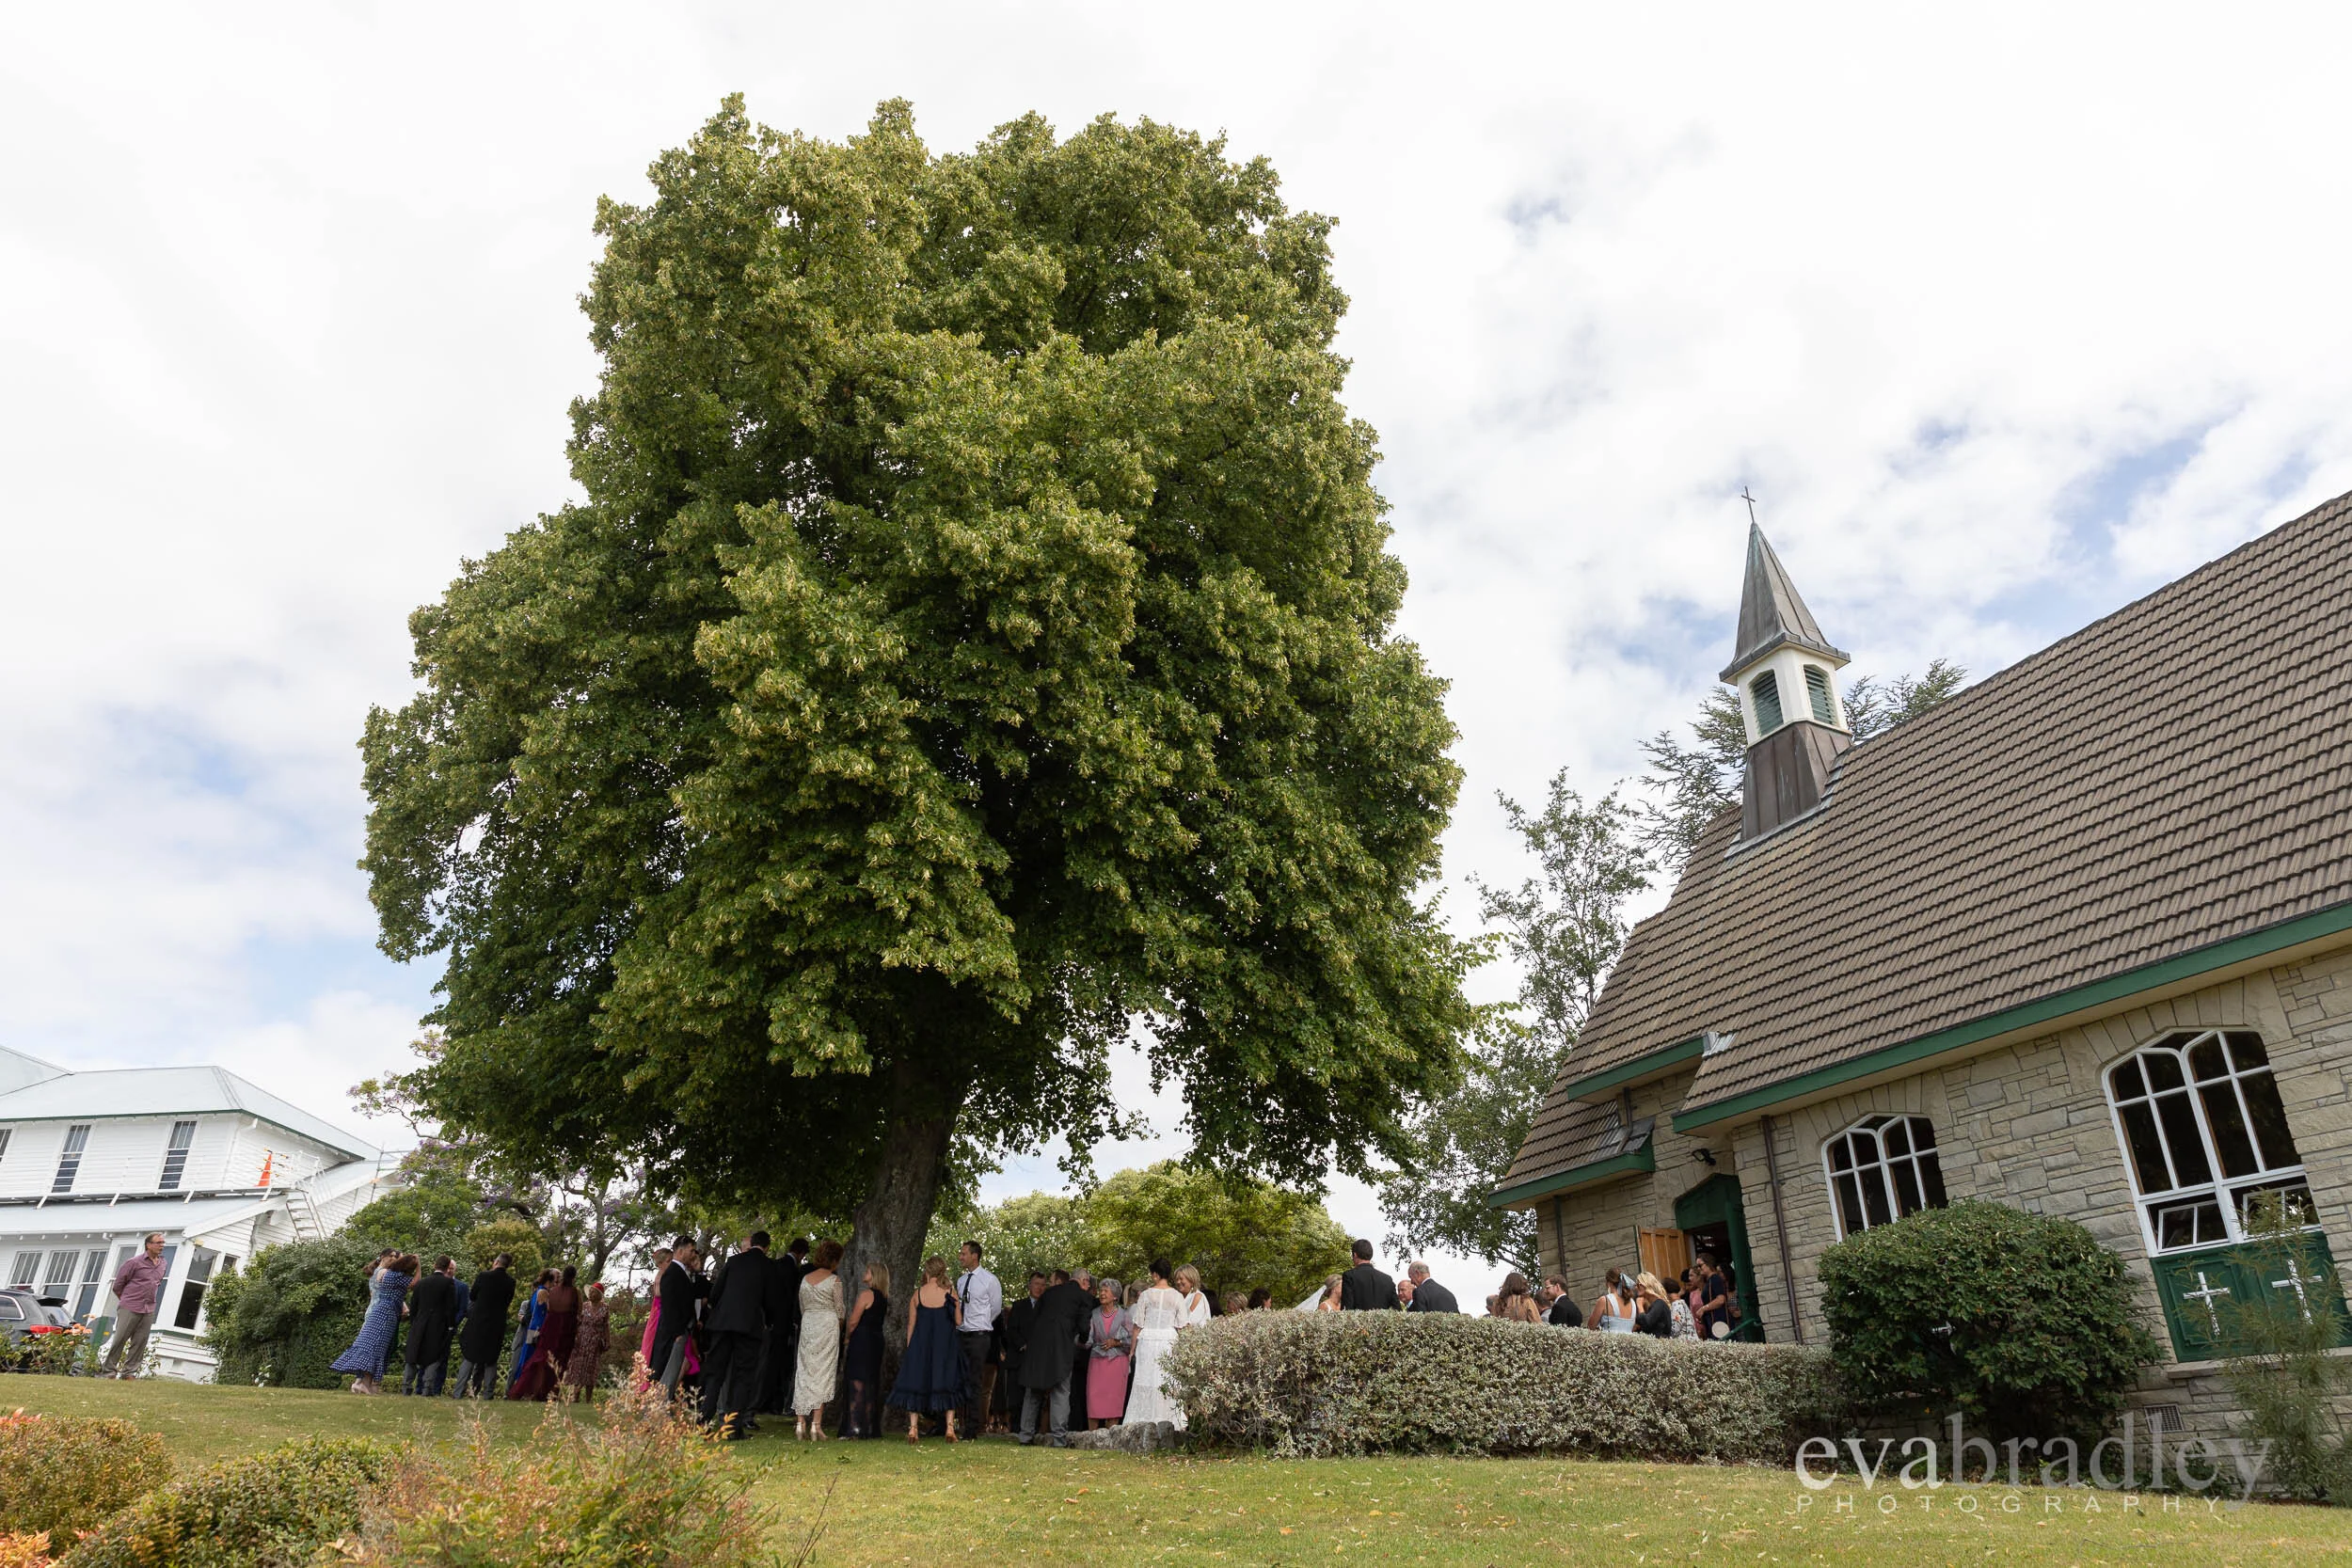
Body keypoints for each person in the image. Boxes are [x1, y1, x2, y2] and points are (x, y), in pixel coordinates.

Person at [699, 1232, 776, 1436]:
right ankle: (733, 1427)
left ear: (751, 1244)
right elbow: (770, 1302)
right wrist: (767, 1322)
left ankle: (703, 1421)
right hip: (749, 1326)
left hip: (723, 1324)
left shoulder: (733, 1261)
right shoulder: (768, 1266)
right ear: (767, 1247)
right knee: (743, 1376)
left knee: (715, 1373)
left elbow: (716, 1293)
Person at [888, 1256, 967, 1443]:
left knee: (915, 1383)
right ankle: (949, 1429)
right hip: (945, 1346)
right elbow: (958, 1321)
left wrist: (910, 1349)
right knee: (949, 1382)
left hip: (920, 1346)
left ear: (927, 1271)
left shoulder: (918, 1294)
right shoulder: (951, 1292)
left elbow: (911, 1325)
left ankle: (913, 1429)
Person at [1016, 1266, 1092, 1446]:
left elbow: (1034, 1318)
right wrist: (1082, 1339)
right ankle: (1059, 1438)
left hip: (1037, 1347)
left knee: (1033, 1391)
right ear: (1083, 1281)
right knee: (1061, 1391)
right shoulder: (1083, 1297)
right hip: (1061, 1348)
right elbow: (1084, 1326)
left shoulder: (1049, 1293)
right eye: (1088, 1282)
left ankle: (1025, 1435)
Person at [331, 1253, 418, 1394]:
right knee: (375, 1347)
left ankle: (362, 1383)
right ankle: (364, 1383)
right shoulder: (387, 1274)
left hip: (375, 1310)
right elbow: (408, 1286)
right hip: (382, 1313)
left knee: (368, 1345)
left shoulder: (378, 1273)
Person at [1122, 1260, 1186, 1430]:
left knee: (1145, 1380)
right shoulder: (1177, 1296)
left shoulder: (1146, 1295)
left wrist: (1132, 1350)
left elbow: (1138, 1326)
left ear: (1155, 1274)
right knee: (1166, 1380)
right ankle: (1169, 1422)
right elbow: (1182, 1326)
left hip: (1148, 1341)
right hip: (1168, 1340)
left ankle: (1142, 1423)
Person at [793, 1239, 846, 1439]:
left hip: (809, 1323)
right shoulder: (835, 1281)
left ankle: (800, 1423)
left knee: (805, 1370)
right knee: (824, 1372)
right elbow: (840, 1310)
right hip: (827, 1324)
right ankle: (816, 1424)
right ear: (834, 1260)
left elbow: (802, 1305)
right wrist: (838, 1325)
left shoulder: (805, 1279)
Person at [100, 1233, 169, 1379]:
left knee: (139, 1342)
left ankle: (129, 1373)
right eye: (158, 1243)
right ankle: (109, 1372)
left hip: (148, 1309)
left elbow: (157, 1283)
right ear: (148, 1245)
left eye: (163, 1243)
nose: (162, 1245)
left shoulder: (163, 1263)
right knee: (120, 1340)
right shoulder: (134, 1262)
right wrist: (127, 1300)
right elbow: (118, 1286)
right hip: (130, 1307)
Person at [510, 1265, 581, 1401]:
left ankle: (525, 1390)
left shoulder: (551, 1291)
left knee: (537, 1359)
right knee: (557, 1363)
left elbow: (548, 1309)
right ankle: (549, 1393)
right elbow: (579, 1313)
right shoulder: (573, 1292)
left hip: (547, 1329)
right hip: (561, 1331)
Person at [755, 1238, 807, 1416]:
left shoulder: (775, 1264)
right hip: (783, 1322)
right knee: (778, 1363)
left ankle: (765, 1401)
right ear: (802, 1254)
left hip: (771, 1320)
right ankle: (771, 1401)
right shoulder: (794, 1270)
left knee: (769, 1362)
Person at [841, 1260, 891, 1438]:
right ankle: (869, 1427)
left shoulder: (866, 1295)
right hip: (876, 1341)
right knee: (871, 1383)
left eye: (868, 1271)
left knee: (856, 1382)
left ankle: (854, 1426)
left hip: (862, 1340)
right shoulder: (883, 1297)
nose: (865, 1273)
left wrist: (847, 1336)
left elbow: (854, 1320)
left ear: (874, 1275)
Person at [454, 1254, 516, 1397]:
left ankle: (458, 1391)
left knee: (469, 1356)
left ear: (496, 1262)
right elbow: (507, 1301)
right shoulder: (511, 1282)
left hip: (478, 1322)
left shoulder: (484, 1276)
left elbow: (473, 1295)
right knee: (491, 1359)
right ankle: (488, 1392)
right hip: (497, 1324)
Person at [651, 1239, 704, 1394]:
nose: (693, 1254)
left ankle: (662, 1406)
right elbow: (670, 1306)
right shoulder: (672, 1273)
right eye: (691, 1250)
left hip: (683, 1331)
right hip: (675, 1334)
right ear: (681, 1251)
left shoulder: (681, 1272)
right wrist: (678, 1333)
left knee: (673, 1373)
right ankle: (658, 1407)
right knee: (668, 1372)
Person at [403, 1257, 461, 1396]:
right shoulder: (448, 1284)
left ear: (434, 1265)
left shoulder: (421, 1283)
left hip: (420, 1322)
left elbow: (414, 1305)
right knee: (434, 1356)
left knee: (413, 1355)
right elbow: (450, 1307)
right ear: (447, 1268)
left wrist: (414, 1322)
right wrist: (451, 1325)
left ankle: (406, 1386)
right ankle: (427, 1388)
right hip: (438, 1325)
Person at [998, 1273, 1044, 1434]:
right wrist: (1023, 1345)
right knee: (1016, 1397)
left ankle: (1033, 1430)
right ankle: (1016, 1428)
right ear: (1029, 1285)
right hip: (1019, 1358)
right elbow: (1011, 1331)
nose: (1039, 1287)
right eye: (1036, 1284)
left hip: (1037, 1360)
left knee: (1035, 1396)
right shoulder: (1019, 1306)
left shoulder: (1046, 1308)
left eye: (1042, 1284)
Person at [1086, 1277, 1132, 1429]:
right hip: (1097, 1362)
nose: (1102, 1294)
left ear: (1115, 1296)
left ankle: (1111, 1438)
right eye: (1101, 1291)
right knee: (1094, 1400)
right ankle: (1092, 1438)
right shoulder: (1094, 1314)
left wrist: (1116, 1342)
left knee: (1113, 1402)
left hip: (1117, 1363)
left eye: (1106, 1291)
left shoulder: (1124, 1315)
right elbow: (1088, 1340)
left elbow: (1132, 1340)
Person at [564, 1280, 612, 1402]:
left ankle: (588, 1398)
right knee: (578, 1367)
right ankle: (575, 1396)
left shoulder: (605, 1308)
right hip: (581, 1339)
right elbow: (577, 1321)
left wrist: (607, 1340)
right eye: (590, 1292)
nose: (591, 1294)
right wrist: (572, 1336)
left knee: (591, 1368)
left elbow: (606, 1325)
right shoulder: (584, 1306)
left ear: (599, 1295)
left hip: (595, 1341)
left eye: (594, 1292)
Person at [1338, 1241, 1398, 1310]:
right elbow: (1397, 1309)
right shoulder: (1387, 1279)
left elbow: (1347, 1308)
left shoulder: (1349, 1276)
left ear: (1355, 1255)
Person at [1693, 1251, 1733, 1340]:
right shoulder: (1710, 1281)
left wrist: (1703, 1309)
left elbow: (1720, 1300)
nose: (1698, 1269)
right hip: (1714, 1322)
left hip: (1719, 1322)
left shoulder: (1715, 1279)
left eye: (1700, 1265)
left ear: (1708, 1264)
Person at [1589, 1269, 1636, 1334]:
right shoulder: (1632, 1302)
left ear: (1608, 1283)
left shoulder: (1604, 1300)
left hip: (1610, 1342)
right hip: (1631, 1343)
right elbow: (1633, 1327)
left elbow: (1590, 1327)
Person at [1632, 1272, 1675, 1338]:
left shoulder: (1659, 1303)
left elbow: (1646, 1324)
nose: (1636, 1288)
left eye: (1638, 1285)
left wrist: (1640, 1306)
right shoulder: (1653, 1305)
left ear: (1646, 1285)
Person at [1670, 1268, 1700, 1340]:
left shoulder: (1699, 1293)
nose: (1687, 1288)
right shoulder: (1685, 1295)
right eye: (1685, 1285)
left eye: (1689, 1285)